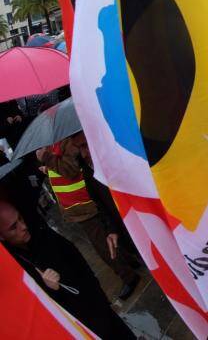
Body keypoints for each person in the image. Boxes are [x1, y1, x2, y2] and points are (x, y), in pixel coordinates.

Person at [0, 200, 136, 339]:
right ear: (1, 236)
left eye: (20, 218)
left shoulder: (46, 238)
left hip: (96, 305)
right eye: (13, 227)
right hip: (77, 325)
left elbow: (79, 263)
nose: (23, 227)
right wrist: (52, 290)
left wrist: (99, 296)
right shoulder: (12, 270)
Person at [37, 135, 142, 301]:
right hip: (78, 208)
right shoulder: (55, 144)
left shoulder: (67, 142)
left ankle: (128, 276)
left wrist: (47, 158)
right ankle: (129, 261)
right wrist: (48, 167)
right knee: (107, 238)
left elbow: (71, 169)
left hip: (85, 206)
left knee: (102, 245)